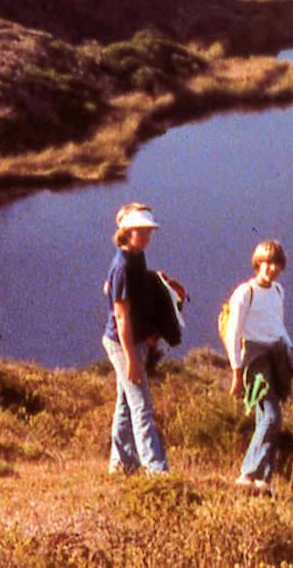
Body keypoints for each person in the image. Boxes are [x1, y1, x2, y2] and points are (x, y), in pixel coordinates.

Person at [222, 238, 293, 493]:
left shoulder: (279, 292)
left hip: (277, 356)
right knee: (272, 416)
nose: (272, 268)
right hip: (255, 359)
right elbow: (233, 334)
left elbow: (278, 326)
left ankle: (264, 480)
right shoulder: (244, 292)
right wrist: (237, 372)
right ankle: (247, 474)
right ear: (258, 263)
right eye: (268, 263)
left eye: (277, 264)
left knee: (268, 419)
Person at [101, 202, 172, 475]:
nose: (146, 235)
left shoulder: (136, 256)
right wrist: (132, 359)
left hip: (134, 342)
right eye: (140, 230)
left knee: (125, 403)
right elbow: (121, 317)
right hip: (123, 345)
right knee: (142, 406)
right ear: (127, 231)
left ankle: (120, 463)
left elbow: (119, 289)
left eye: (148, 230)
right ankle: (157, 471)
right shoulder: (123, 265)